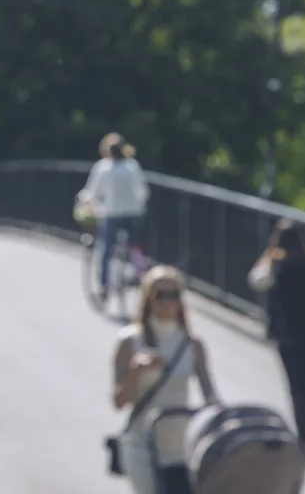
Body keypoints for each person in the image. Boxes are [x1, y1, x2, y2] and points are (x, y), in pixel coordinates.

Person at [113, 265, 219, 494]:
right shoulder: (129, 341)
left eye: (173, 295)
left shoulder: (193, 345)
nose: (167, 302)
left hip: (180, 447)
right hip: (142, 442)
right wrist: (136, 370)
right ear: (148, 298)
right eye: (159, 295)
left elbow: (210, 394)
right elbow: (119, 401)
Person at [248, 218, 305, 450]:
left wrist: (268, 254)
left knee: (295, 384)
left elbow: (256, 281)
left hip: (287, 333)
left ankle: (300, 429)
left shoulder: (276, 266)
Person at [78, 133, 149, 301]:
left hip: (112, 213)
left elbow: (92, 193)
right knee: (135, 245)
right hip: (135, 212)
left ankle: (104, 286)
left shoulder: (103, 168)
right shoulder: (132, 166)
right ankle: (140, 274)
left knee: (106, 250)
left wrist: (84, 201)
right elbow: (143, 191)